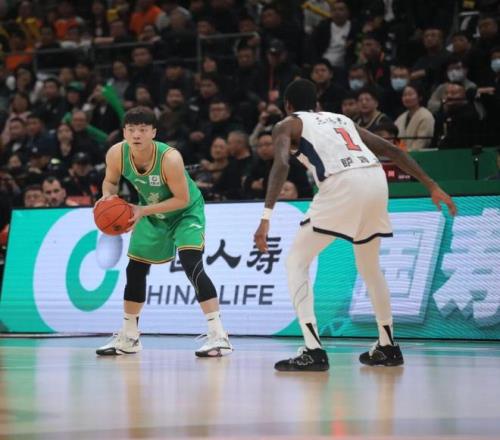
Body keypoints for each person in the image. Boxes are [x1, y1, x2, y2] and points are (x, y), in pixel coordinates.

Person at [253, 79, 456, 372]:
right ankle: (388, 345)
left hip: (341, 183)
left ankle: (313, 350)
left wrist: (266, 217)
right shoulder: (342, 119)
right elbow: (392, 150)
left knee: (296, 262)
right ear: (317, 104)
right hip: (376, 180)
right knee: (370, 267)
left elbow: (281, 164)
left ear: (287, 106)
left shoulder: (287, 124)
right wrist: (432, 185)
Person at [96, 107, 232, 357]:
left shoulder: (170, 158)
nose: (136, 135)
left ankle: (218, 335)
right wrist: (108, 198)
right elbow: (111, 182)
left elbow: (182, 199)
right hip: (149, 211)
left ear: (153, 133)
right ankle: (129, 336)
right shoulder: (116, 153)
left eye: (143, 130)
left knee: (192, 264)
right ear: (124, 132)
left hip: (185, 212)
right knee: (135, 270)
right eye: (131, 130)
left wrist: (141, 210)